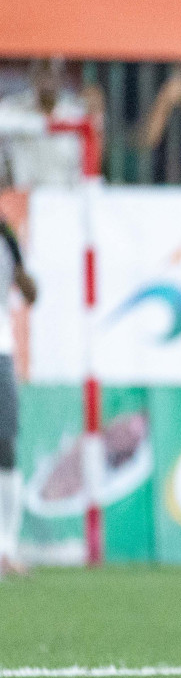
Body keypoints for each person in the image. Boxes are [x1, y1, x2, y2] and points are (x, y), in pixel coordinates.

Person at [0, 216, 38, 577]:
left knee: (5, 447)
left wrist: (24, 279)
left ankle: (6, 548)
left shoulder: (7, 238)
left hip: (1, 352)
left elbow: (30, 292)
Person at [0, 60, 92, 188]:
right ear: (32, 77)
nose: (47, 81)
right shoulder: (13, 108)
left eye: (52, 74)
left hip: (64, 197)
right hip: (24, 197)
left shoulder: (75, 114)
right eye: (42, 74)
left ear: (62, 78)